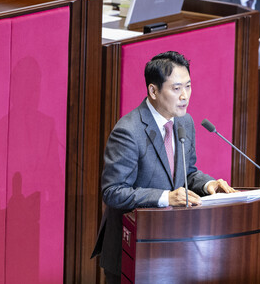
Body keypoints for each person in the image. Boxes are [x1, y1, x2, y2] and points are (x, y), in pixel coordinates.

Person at [91, 51, 235, 283]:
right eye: (176, 88)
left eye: (188, 86)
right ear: (153, 91)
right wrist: (166, 197)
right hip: (132, 250)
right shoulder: (128, 131)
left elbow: (187, 172)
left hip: (172, 247)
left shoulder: (184, 121)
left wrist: (208, 184)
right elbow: (113, 192)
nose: (185, 96)